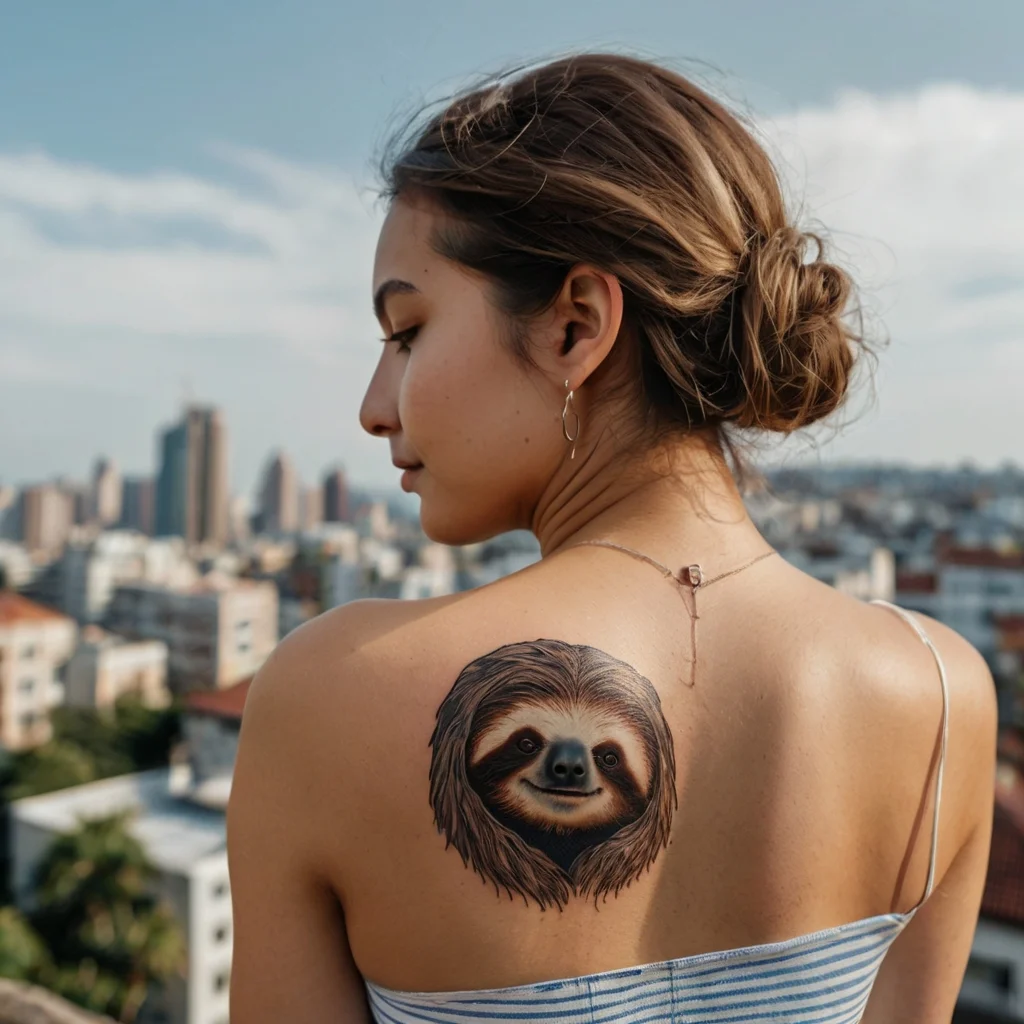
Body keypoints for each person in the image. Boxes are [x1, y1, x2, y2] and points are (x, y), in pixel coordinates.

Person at [227, 54, 997, 1023]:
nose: (373, 407)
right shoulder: (940, 700)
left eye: (407, 331)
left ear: (575, 326)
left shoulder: (331, 694)